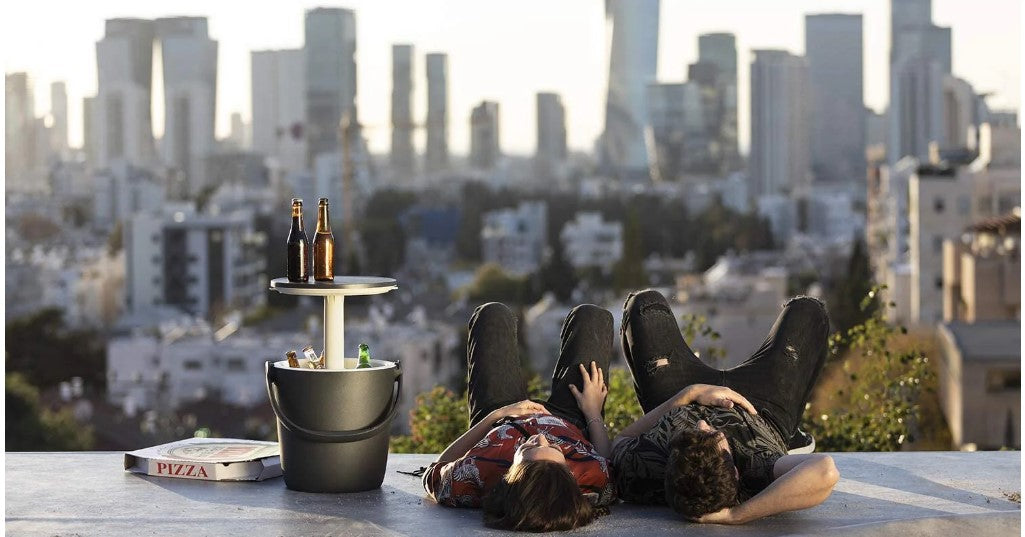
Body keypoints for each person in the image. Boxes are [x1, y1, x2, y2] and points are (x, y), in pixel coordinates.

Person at [612, 289, 840, 524]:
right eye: (712, 435)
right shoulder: (758, 468)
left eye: (691, 433)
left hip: (681, 392)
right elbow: (825, 470)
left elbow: (620, 440)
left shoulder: (647, 469)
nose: (703, 422)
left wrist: (690, 394)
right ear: (736, 472)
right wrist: (736, 515)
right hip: (762, 406)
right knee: (809, 311)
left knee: (644, 304)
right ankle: (791, 437)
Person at [422, 302, 616, 532]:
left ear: (509, 477)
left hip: (503, 419)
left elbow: (435, 469)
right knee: (591, 316)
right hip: (573, 419)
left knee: (492, 314)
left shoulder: (477, 477)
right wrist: (593, 411)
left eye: (528, 448)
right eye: (555, 449)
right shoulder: (591, 480)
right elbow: (606, 461)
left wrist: (495, 415)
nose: (541, 438)